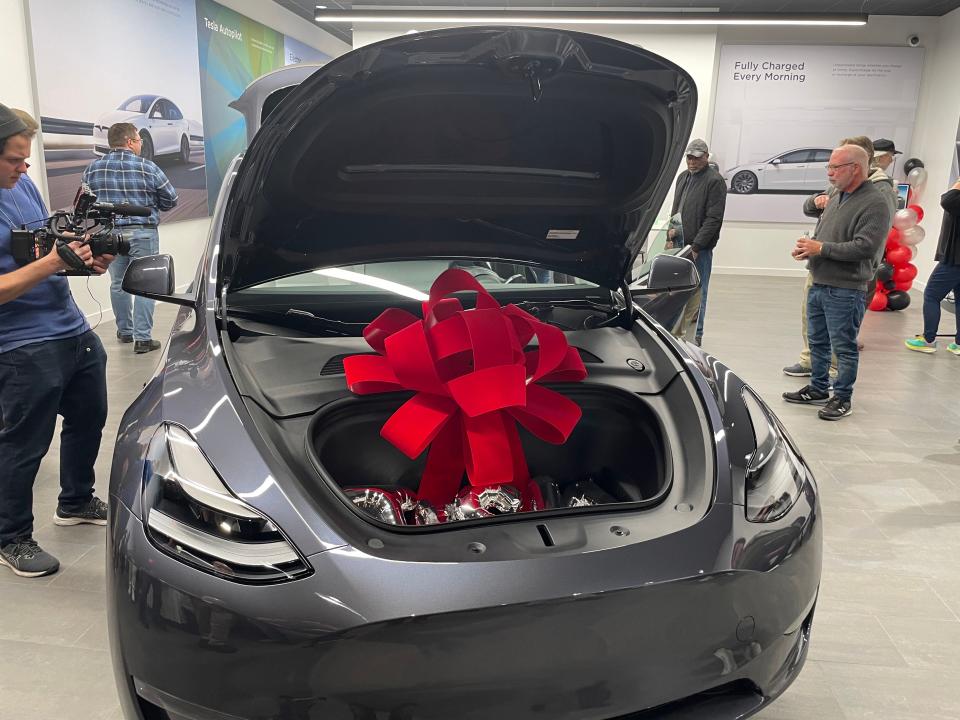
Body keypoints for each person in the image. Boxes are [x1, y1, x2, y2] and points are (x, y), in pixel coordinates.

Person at [0, 103, 114, 578]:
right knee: (24, 444)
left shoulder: (21, 185)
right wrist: (51, 265)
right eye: (14, 159)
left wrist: (82, 260)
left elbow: (47, 242)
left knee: (91, 415)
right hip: (20, 343)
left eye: (26, 159)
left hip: (70, 326)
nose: (24, 168)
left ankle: (75, 500)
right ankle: (11, 537)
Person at [782, 144, 892, 420]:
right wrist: (809, 250)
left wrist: (821, 248)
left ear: (855, 168)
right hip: (820, 281)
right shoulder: (836, 194)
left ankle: (842, 397)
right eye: (828, 167)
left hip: (846, 288)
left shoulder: (876, 202)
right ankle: (819, 388)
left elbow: (866, 247)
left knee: (843, 347)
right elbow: (817, 219)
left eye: (835, 167)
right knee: (817, 341)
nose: (829, 173)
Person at [82, 122, 177, 353]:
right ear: (130, 142)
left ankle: (125, 331)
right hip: (142, 232)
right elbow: (171, 199)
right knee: (146, 285)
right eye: (139, 140)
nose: (140, 144)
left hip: (109, 234)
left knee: (118, 284)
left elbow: (86, 203)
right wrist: (154, 204)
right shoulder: (148, 167)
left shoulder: (93, 169)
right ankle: (143, 339)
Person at [666, 138, 727, 346]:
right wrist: (669, 235)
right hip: (678, 246)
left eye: (697, 158)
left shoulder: (715, 181)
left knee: (698, 291)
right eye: (690, 157)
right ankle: (675, 335)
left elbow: (714, 219)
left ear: (706, 157)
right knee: (676, 291)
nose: (692, 162)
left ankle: (695, 337)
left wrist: (697, 246)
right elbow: (676, 210)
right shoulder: (683, 177)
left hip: (698, 249)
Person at [904, 178, 960, 355]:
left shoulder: (955, 200)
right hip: (955, 258)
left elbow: (947, 199)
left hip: (954, 260)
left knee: (931, 295)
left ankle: (928, 340)